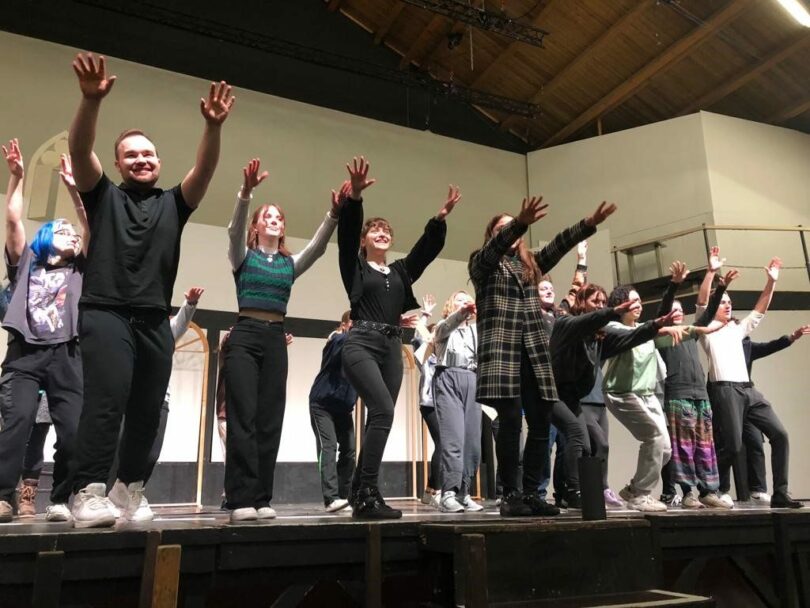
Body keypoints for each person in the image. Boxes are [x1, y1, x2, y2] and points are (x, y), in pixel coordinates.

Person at [66, 53, 235, 528]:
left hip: (154, 317)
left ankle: (128, 487)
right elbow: (80, 151)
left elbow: (205, 169)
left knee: (148, 409)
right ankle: (87, 491)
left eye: (148, 154)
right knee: (107, 400)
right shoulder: (103, 196)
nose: (141, 159)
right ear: (118, 164)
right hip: (106, 311)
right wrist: (90, 102)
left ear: (159, 162)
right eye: (131, 155)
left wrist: (213, 127)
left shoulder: (174, 204)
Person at [469, 196, 616, 517]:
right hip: (503, 353)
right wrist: (520, 222)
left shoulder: (529, 267)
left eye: (513, 228)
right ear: (491, 235)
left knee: (540, 422)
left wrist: (588, 224)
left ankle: (532, 492)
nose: (509, 232)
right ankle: (510, 494)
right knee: (510, 421)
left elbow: (557, 247)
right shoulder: (483, 264)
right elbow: (493, 251)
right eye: (502, 228)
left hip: (534, 353)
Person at [338, 157, 461, 519]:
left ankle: (358, 490)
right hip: (361, 343)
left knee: (380, 418)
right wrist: (355, 198)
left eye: (386, 230)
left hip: (392, 347)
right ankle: (368, 491)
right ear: (365, 239)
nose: (382, 233)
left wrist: (439, 219)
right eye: (375, 229)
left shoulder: (399, 272)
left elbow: (424, 252)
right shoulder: (355, 267)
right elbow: (346, 237)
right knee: (383, 411)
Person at [223, 158, 339, 523]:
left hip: (275, 338)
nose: (274, 220)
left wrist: (333, 215)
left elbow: (317, 248)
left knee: (270, 419)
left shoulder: (289, 264)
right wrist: (246, 194)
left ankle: (261, 498)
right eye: (267, 217)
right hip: (244, 335)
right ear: (257, 226)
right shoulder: (243, 257)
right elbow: (233, 231)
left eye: (279, 218)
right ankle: (240, 498)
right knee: (243, 417)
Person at [0, 140, 87, 524]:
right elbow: (13, 220)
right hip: (25, 354)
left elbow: (90, 226)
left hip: (66, 354)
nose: (73, 235)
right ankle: (3, 496)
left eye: (74, 234)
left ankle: (62, 498)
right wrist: (17, 178)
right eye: (64, 231)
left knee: (73, 432)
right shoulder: (27, 262)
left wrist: (74, 190)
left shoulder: (80, 269)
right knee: (16, 423)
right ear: (46, 235)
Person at [699, 248, 802, 509]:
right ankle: (713, 488)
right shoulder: (707, 329)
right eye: (723, 301)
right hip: (724, 390)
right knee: (733, 446)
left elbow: (759, 310)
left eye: (729, 302)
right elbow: (702, 303)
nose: (728, 304)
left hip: (748, 390)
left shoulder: (737, 329)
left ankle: (780, 493)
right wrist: (711, 272)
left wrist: (771, 282)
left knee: (780, 435)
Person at [602, 285, 715, 512]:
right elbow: (637, 333)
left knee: (665, 449)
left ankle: (634, 489)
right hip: (622, 393)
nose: (639, 305)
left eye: (640, 301)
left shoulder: (646, 331)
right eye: (633, 301)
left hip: (647, 395)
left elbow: (676, 334)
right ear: (621, 305)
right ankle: (640, 495)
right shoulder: (613, 327)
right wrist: (661, 327)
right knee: (653, 437)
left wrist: (698, 328)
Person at [107, 287, 204, 520]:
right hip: (129, 399)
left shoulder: (163, 332)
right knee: (120, 449)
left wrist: (190, 304)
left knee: (151, 453)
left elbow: (178, 326)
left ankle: (134, 493)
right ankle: (113, 495)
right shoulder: (129, 328)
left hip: (159, 398)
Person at [655, 261, 736, 509]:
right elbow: (664, 308)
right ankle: (688, 492)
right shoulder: (663, 335)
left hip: (700, 395)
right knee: (684, 448)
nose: (678, 312)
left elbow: (708, 314)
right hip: (677, 395)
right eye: (673, 310)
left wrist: (721, 287)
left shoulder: (692, 332)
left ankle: (708, 491)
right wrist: (674, 285)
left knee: (705, 446)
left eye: (680, 309)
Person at [741, 324, 810, 504]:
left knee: (775, 436)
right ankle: (718, 490)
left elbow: (769, 346)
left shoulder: (745, 345)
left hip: (749, 393)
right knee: (729, 445)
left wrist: (791, 337)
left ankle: (777, 492)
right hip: (726, 393)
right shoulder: (716, 343)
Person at [431, 291, 483, 513]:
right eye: (459, 300)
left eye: (467, 300)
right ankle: (448, 493)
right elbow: (444, 328)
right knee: (453, 438)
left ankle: (464, 492)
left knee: (472, 441)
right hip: (448, 376)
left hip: (472, 379)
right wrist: (461, 313)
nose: (465, 303)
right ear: (451, 306)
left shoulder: (476, 330)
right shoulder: (443, 327)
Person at [309, 311, 358, 513]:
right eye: (354, 323)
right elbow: (341, 341)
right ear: (344, 325)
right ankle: (331, 498)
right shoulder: (337, 340)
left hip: (343, 408)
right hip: (322, 405)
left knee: (349, 450)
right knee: (328, 447)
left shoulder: (359, 349)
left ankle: (343, 497)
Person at [412, 294, 441, 509]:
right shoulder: (425, 355)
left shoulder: (446, 353)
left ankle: (433, 489)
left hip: (448, 403)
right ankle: (434, 490)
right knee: (443, 442)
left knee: (447, 444)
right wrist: (425, 315)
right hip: (430, 403)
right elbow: (417, 339)